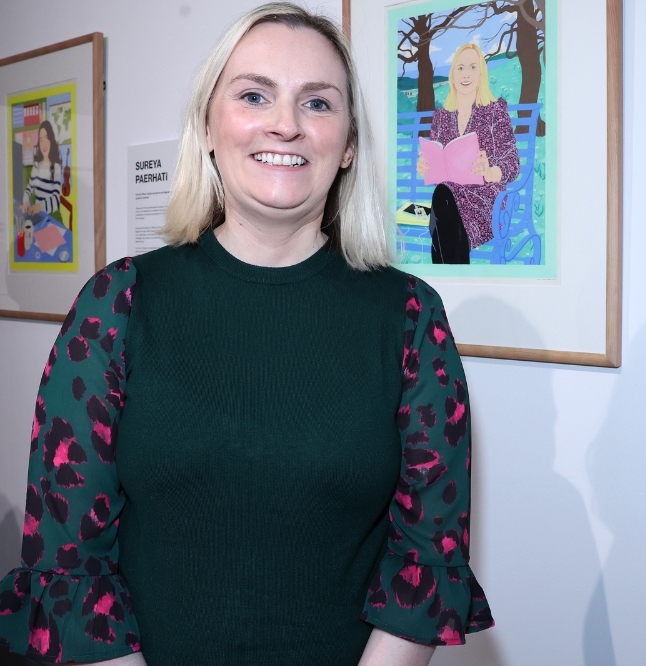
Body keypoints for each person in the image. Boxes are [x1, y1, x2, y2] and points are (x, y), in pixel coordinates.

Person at [0, 4, 492, 665]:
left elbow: (427, 559)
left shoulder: (409, 318)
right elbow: (68, 560)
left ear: (347, 145)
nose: (285, 123)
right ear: (208, 126)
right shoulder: (116, 304)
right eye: (254, 95)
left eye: (317, 103)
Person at [416, 43, 519, 264]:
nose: (466, 74)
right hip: (448, 198)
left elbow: (512, 161)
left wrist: (490, 171)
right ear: (452, 76)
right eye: (460, 68)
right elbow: (440, 166)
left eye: (473, 67)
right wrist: (427, 166)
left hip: (485, 199)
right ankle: (455, 277)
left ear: (481, 74)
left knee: (441, 213)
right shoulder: (441, 117)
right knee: (444, 199)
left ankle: (444, 283)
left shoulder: (494, 110)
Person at [19, 120, 64, 223]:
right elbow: (29, 188)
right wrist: (26, 202)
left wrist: (39, 207)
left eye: (46, 138)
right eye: (41, 139)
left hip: (52, 215)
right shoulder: (36, 165)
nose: (43, 143)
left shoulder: (56, 167)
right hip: (37, 214)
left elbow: (56, 200)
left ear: (51, 140)